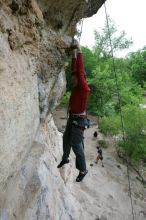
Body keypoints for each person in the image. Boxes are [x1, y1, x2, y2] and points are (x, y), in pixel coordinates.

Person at [57, 40, 90, 182]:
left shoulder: (83, 88)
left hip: (79, 121)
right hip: (73, 118)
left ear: (81, 80)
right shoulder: (77, 87)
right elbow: (75, 70)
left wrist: (80, 49)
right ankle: (65, 158)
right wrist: (74, 54)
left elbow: (80, 72)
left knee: (77, 146)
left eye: (75, 79)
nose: (73, 80)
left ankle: (83, 170)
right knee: (66, 139)